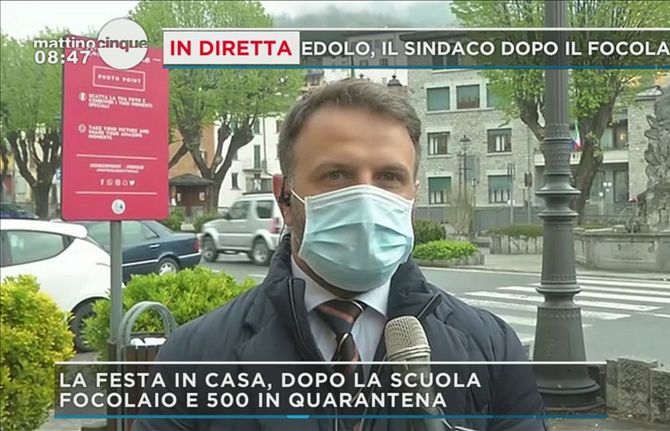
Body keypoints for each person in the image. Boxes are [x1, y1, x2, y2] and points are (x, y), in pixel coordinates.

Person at [133, 79, 547, 431]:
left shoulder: (491, 348)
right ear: (284, 196)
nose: (366, 198)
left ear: (413, 196)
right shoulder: (195, 357)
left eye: (389, 177)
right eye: (337, 175)